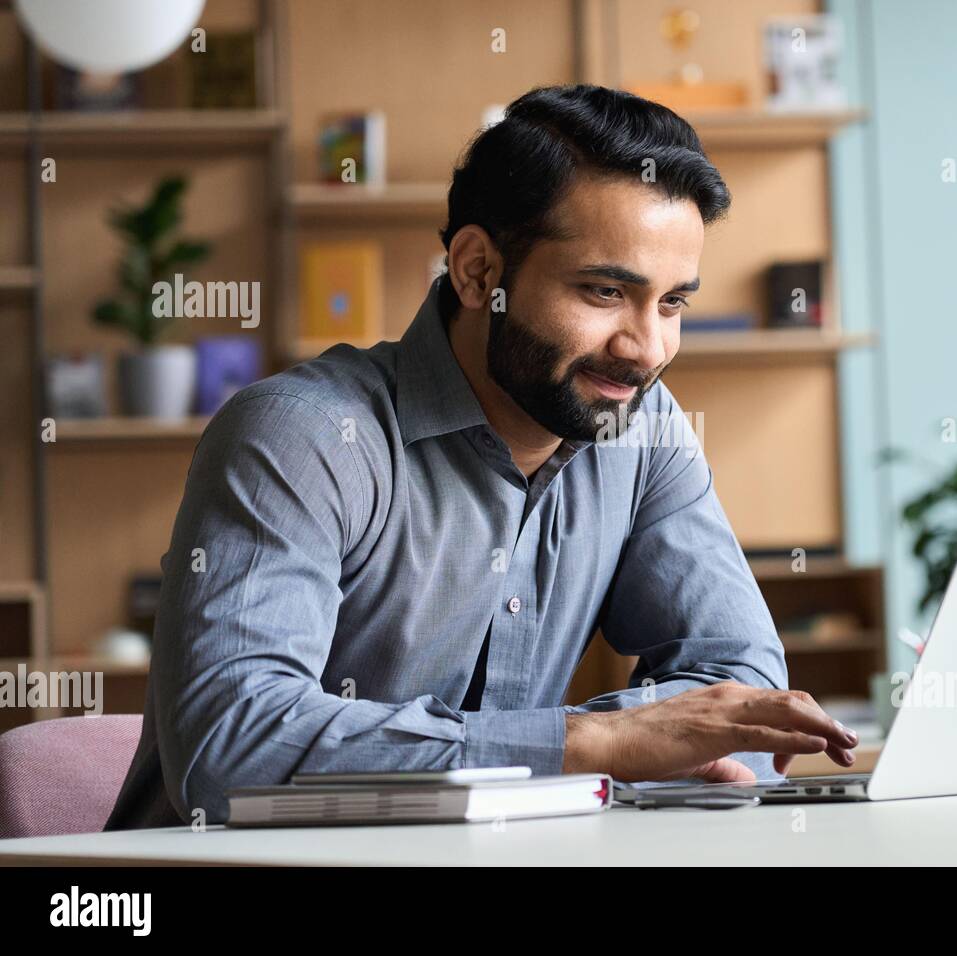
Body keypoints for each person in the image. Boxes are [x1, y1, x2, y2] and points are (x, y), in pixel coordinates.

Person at [107, 84, 856, 829]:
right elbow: (232, 748)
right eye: (603, 292)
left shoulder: (643, 429)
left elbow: (744, 686)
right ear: (476, 272)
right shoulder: (299, 437)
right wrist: (593, 742)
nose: (647, 349)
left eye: (671, 304)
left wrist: (630, 743)